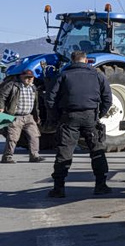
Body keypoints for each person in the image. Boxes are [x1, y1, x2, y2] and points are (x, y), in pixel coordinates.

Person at [46, 50, 112, 198]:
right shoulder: (98, 76)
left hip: (69, 116)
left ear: (72, 60)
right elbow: (108, 98)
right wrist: (98, 115)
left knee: (64, 152)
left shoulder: (63, 75)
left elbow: (50, 99)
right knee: (97, 151)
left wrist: (57, 117)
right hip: (90, 116)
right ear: (86, 60)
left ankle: (59, 188)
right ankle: (101, 185)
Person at [0, 70, 44, 164]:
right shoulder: (12, 85)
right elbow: (2, 96)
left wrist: (37, 116)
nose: (29, 79)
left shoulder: (33, 88)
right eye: (26, 77)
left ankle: (34, 156)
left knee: (34, 136)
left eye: (31, 77)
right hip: (15, 116)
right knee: (13, 137)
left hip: (29, 116)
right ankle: (7, 157)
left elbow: (36, 104)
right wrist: (1, 107)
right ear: (21, 77)